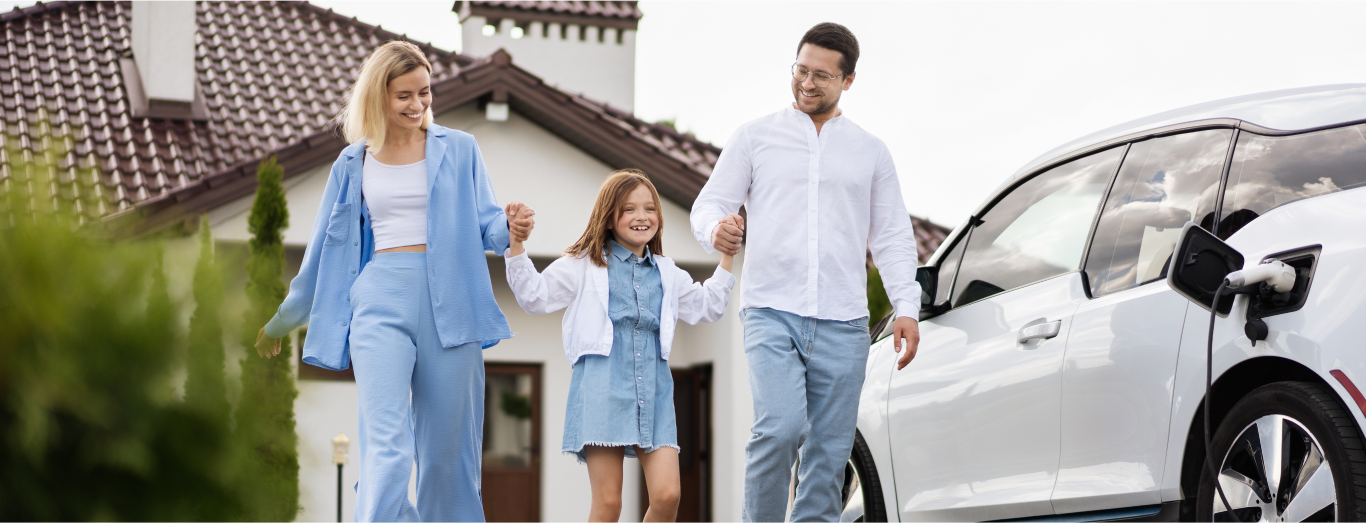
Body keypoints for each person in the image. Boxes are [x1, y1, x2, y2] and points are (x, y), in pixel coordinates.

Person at [252, 41, 534, 523]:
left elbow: (488, 224)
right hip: (379, 300)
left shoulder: (460, 149)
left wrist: (513, 228)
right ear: (378, 96)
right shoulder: (352, 164)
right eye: (405, 95)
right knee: (388, 450)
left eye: (424, 93)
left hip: (454, 306)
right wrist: (282, 321)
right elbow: (323, 251)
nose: (417, 104)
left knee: (449, 459)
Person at [688, 22, 923, 522]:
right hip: (771, 311)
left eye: (821, 74)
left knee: (829, 452)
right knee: (780, 428)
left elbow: (893, 237)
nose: (807, 83)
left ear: (848, 80)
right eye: (800, 70)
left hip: (843, 321)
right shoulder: (755, 138)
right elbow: (708, 206)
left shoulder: (871, 151)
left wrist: (906, 306)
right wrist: (715, 232)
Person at [503, 169, 735, 523]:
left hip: (655, 390)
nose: (641, 217)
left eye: (649, 208)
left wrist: (727, 257)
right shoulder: (583, 265)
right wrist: (517, 244)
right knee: (609, 504)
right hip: (602, 387)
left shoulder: (667, 272)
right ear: (609, 217)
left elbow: (708, 306)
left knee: (667, 495)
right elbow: (535, 297)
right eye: (628, 209)